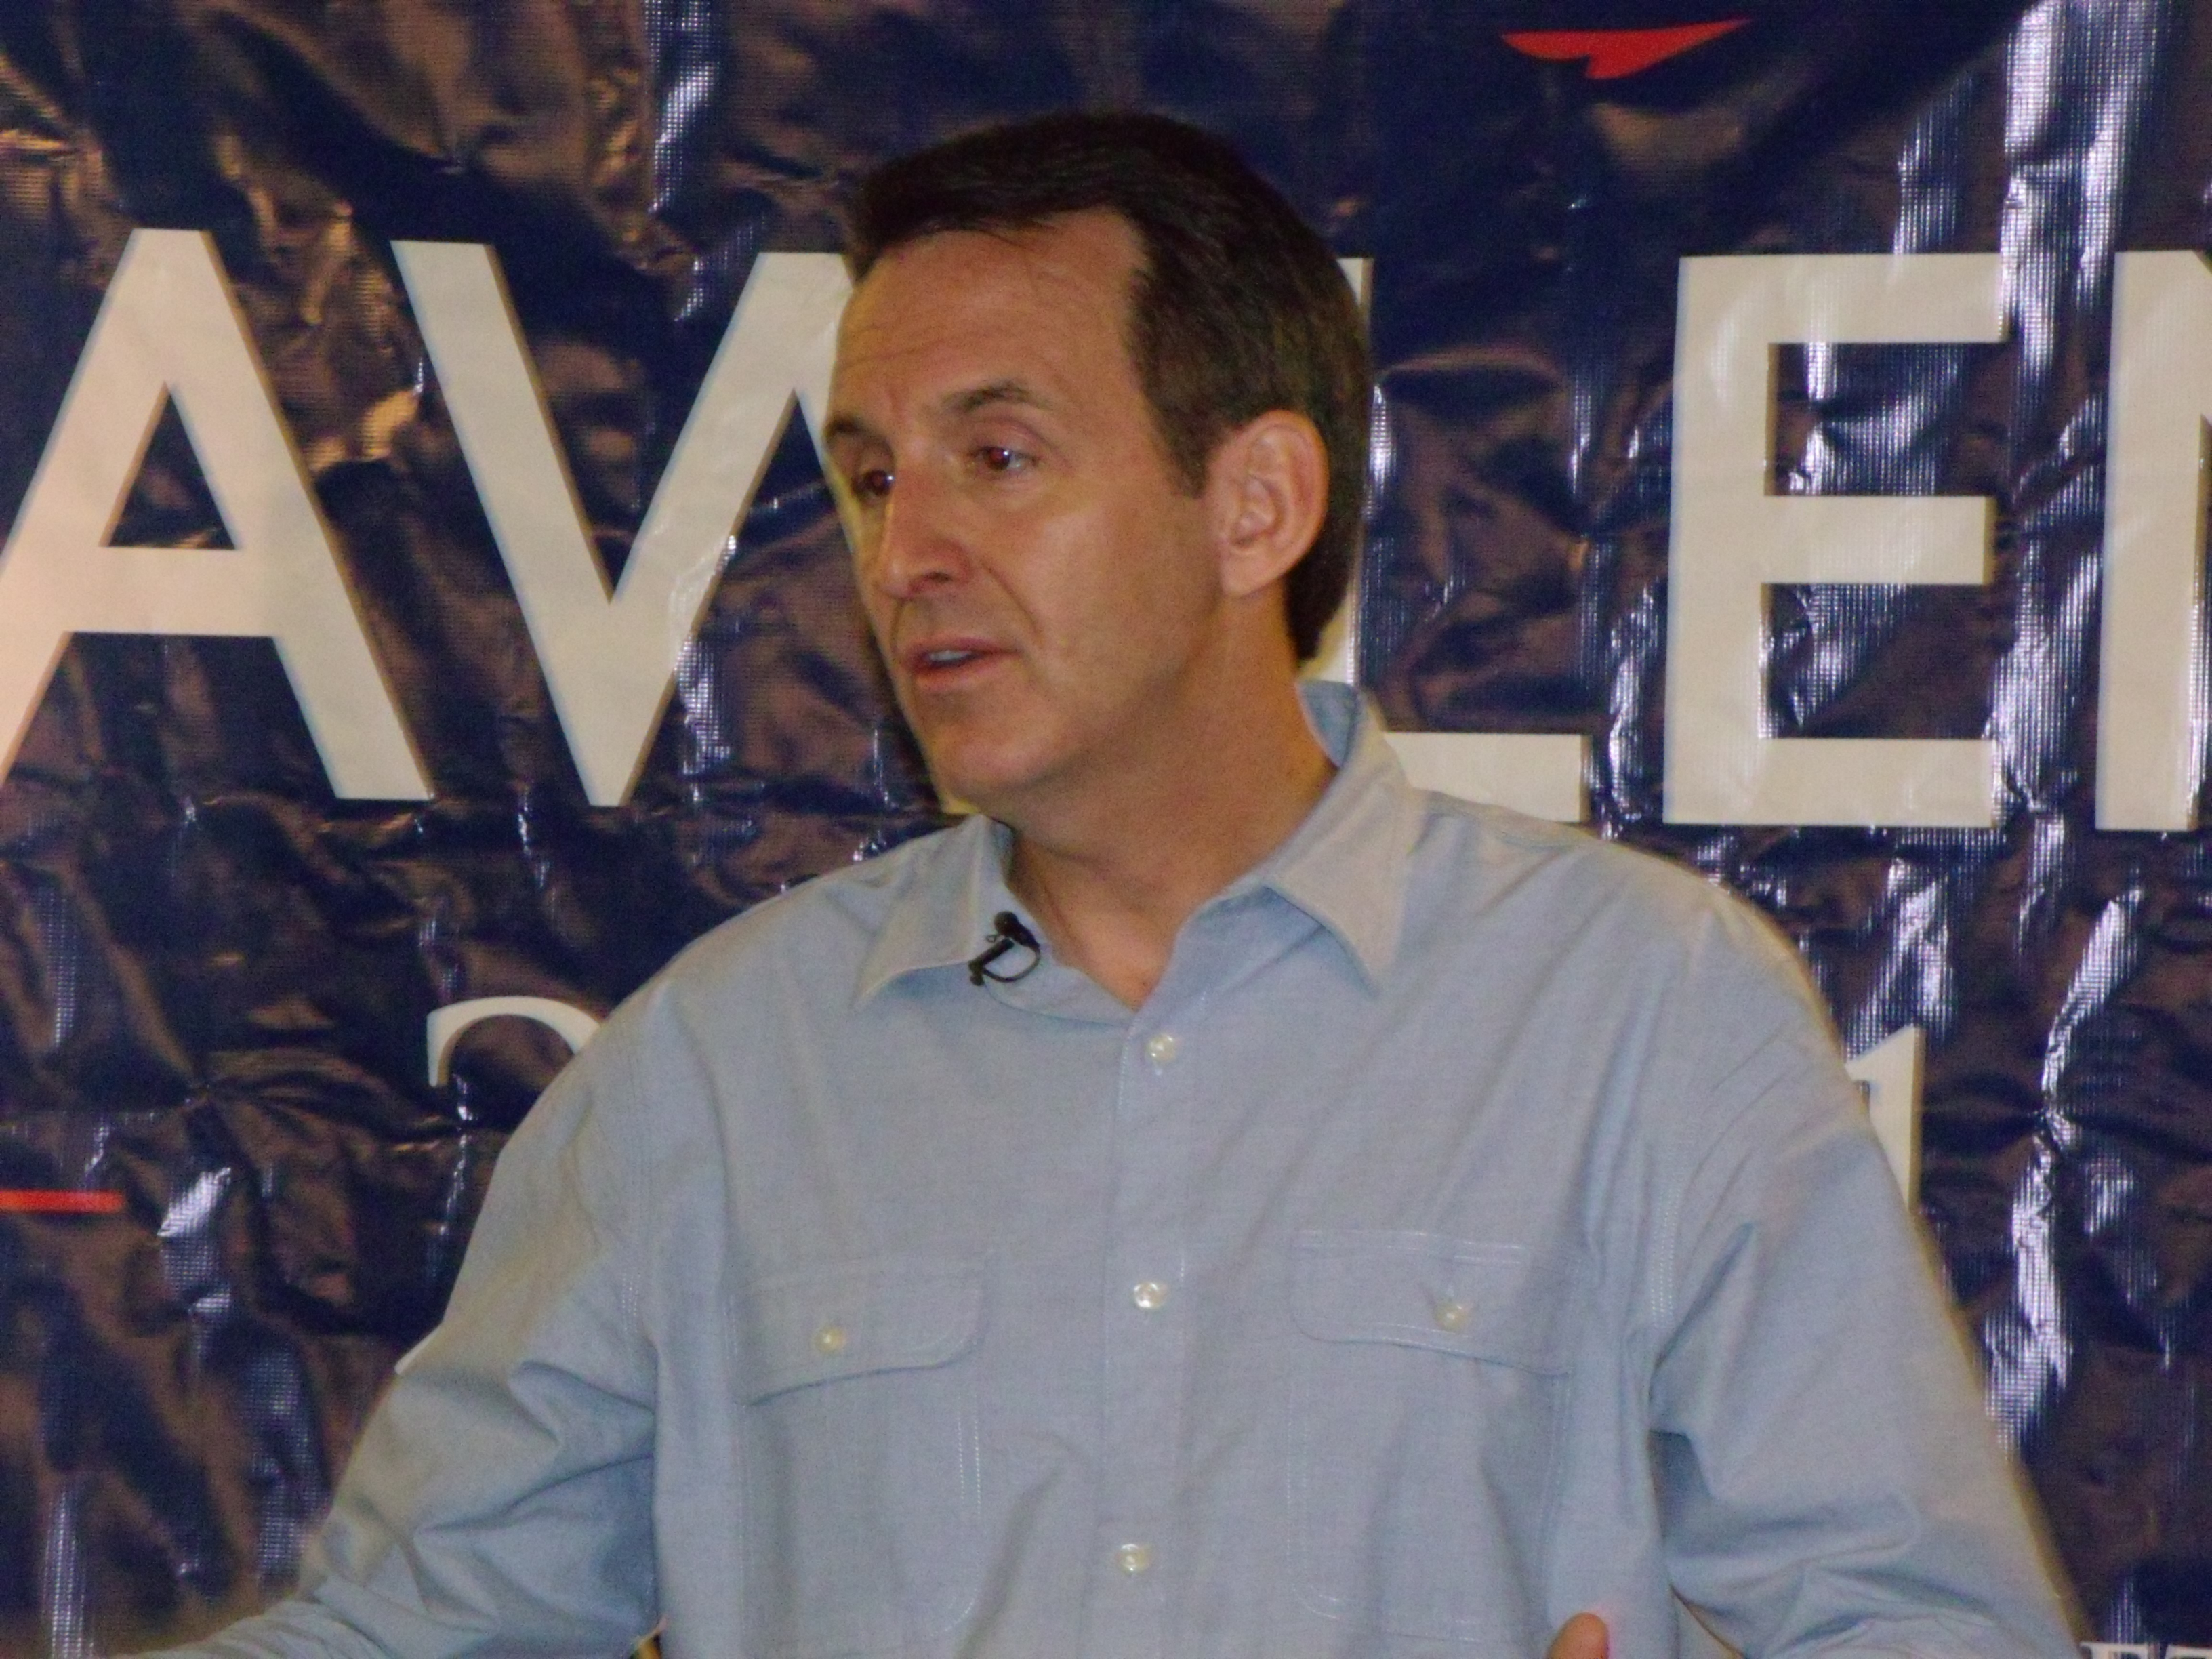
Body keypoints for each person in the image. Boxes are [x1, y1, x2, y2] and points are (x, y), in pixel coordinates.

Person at [158, 112, 2078, 1658]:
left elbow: (1924, 1625)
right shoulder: (717, 1077)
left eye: (999, 456)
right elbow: (415, 1631)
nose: (907, 551)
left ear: (1257, 504)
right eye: (873, 476)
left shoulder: (1642, 1014)